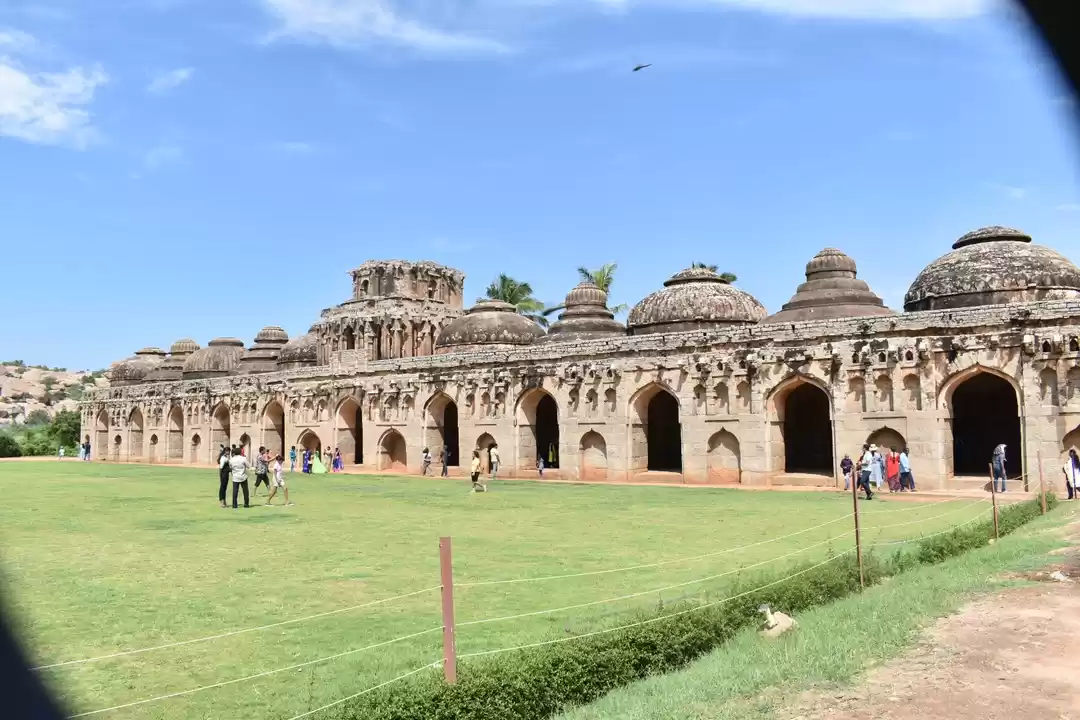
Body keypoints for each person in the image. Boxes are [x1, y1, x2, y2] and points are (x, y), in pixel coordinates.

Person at [229, 444, 251, 508]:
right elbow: (248, 466)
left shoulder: (231, 460)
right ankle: (246, 504)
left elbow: (230, 467)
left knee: (235, 491)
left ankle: (234, 504)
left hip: (235, 477)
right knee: (245, 491)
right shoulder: (243, 458)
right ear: (240, 452)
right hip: (243, 476)